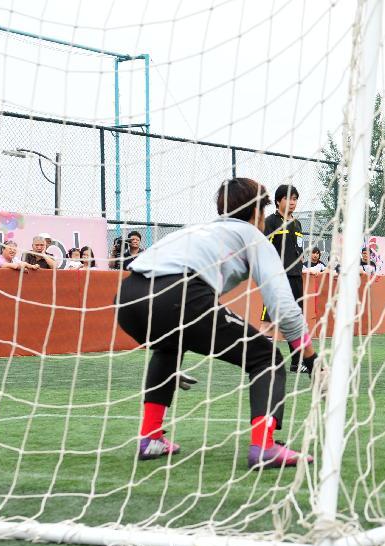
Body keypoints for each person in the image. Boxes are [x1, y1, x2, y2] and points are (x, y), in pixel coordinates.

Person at [118, 177, 317, 466]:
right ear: (258, 212)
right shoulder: (253, 236)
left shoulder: (198, 229)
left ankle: (150, 438)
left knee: (169, 348)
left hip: (128, 298)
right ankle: (264, 446)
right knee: (268, 358)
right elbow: (284, 307)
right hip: (178, 295)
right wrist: (311, 358)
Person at [262, 185, 306, 372]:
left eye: (295, 199)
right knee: (268, 319)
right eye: (288, 198)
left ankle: (298, 362)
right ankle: (262, 361)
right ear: (278, 201)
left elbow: (299, 250)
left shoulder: (297, 224)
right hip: (277, 277)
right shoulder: (270, 222)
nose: (292, 203)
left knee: (295, 319)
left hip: (296, 277)